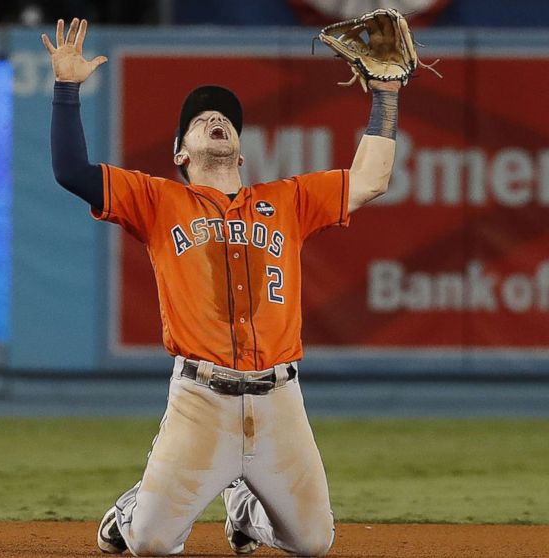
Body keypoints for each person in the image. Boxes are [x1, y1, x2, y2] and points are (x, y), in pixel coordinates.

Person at [42, 17, 400, 557]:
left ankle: (245, 508)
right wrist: (66, 88)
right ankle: (133, 509)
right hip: (200, 400)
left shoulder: (287, 201)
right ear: (180, 153)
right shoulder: (158, 200)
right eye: (200, 118)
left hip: (280, 399)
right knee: (152, 545)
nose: (215, 118)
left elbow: (371, 179)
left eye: (226, 117)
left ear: (240, 151)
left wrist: (387, 95)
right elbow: (71, 170)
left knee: (313, 543)